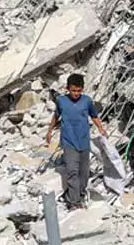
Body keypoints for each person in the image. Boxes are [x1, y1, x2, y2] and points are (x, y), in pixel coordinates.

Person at [44, 73, 112, 211]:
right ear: (67, 88)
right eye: (73, 90)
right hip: (68, 141)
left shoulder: (87, 101)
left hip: (83, 140)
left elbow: (94, 116)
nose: (76, 94)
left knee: (84, 172)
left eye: (79, 91)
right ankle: (73, 202)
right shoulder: (61, 101)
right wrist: (49, 131)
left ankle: (80, 196)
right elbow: (56, 116)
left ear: (83, 89)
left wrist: (101, 128)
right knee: (72, 171)